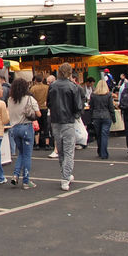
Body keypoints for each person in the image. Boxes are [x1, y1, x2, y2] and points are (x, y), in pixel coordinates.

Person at [47, 63, 82, 191]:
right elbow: (78, 106)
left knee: (61, 150)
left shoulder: (53, 86)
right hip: (68, 121)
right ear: (69, 72)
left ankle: (65, 174)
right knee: (68, 151)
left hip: (55, 120)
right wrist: (76, 115)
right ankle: (65, 177)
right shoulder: (73, 86)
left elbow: (49, 103)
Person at [8, 78, 40, 189]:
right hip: (26, 127)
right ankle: (26, 180)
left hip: (14, 129)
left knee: (21, 153)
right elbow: (38, 114)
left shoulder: (10, 100)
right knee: (27, 155)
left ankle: (16, 175)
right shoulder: (29, 99)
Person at [89, 80, 116, 159]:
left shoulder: (93, 95)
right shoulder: (108, 95)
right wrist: (114, 118)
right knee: (104, 135)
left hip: (96, 116)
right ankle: (104, 153)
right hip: (106, 116)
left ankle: (100, 151)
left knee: (99, 135)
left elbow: (91, 108)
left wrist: (91, 117)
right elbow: (111, 108)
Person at [30, 73, 50, 151]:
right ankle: (47, 144)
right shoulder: (47, 87)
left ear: (35, 80)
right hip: (45, 108)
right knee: (46, 126)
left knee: (37, 127)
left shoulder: (33, 88)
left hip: (36, 109)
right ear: (42, 80)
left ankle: (37, 144)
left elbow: (31, 98)